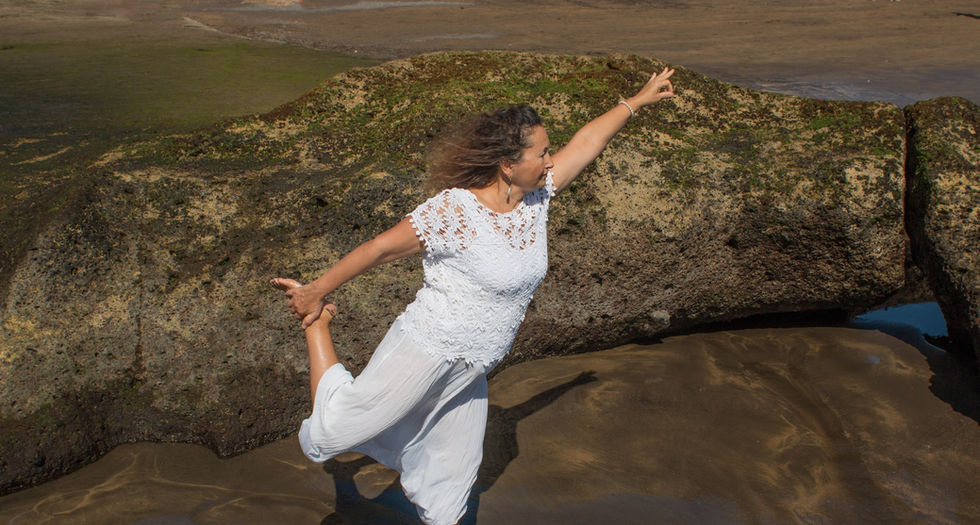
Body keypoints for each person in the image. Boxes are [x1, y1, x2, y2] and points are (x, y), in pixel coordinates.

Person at [271, 66, 675, 525]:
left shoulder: (537, 196)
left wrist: (636, 102)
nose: (549, 161)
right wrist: (317, 292)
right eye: (541, 153)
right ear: (508, 164)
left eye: (548, 153)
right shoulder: (456, 211)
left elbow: (586, 143)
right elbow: (380, 248)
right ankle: (318, 327)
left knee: (451, 487)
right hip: (427, 348)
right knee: (333, 433)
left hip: (475, 367)